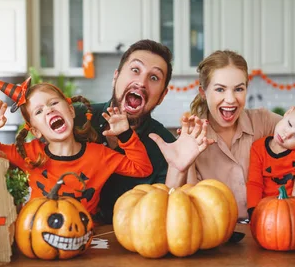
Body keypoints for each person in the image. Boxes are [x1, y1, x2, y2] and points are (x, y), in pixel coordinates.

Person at [162, 50, 295, 220]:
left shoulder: (263, 122)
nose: (230, 99)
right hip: (216, 237)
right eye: (220, 90)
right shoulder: (193, 138)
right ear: (203, 92)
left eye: (238, 89)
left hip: (268, 229)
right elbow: (184, 205)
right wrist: (187, 164)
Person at [0, 78, 154, 217]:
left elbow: (142, 168)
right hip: (37, 232)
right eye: (39, 111)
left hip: (82, 236)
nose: (49, 110)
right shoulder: (29, 154)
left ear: (70, 110)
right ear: (36, 131)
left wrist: (125, 134)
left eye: (53, 103)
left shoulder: (100, 155)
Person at [73, 39, 210, 223]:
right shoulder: (76, 119)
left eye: (154, 78)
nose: (142, 82)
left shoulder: (164, 146)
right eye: (135, 70)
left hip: (135, 245)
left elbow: (166, 218)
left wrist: (180, 169)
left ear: (162, 96)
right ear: (116, 77)